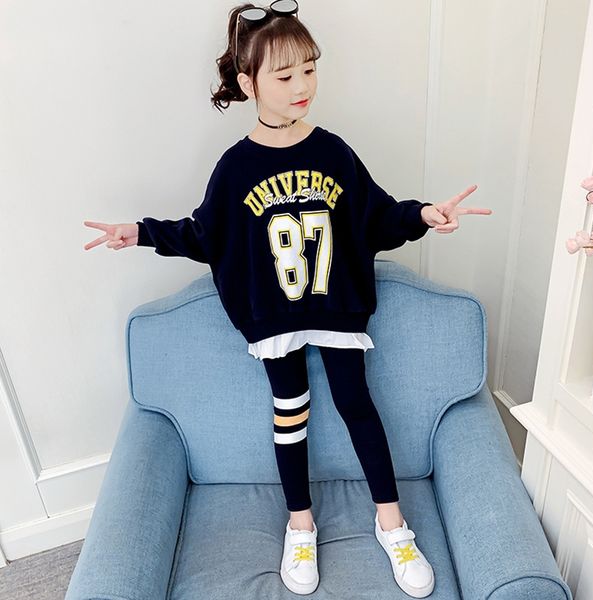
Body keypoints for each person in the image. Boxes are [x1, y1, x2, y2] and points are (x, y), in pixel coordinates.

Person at [83, 1, 492, 596]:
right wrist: (141, 232)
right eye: (284, 75)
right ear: (249, 83)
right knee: (290, 413)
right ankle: (300, 525)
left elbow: (376, 216)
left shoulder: (333, 152)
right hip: (275, 317)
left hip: (335, 307)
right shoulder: (235, 167)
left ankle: (392, 524)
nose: (302, 86)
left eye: (309, 68)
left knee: (357, 404)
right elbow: (206, 235)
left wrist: (423, 215)